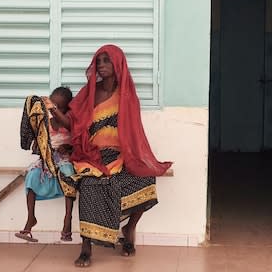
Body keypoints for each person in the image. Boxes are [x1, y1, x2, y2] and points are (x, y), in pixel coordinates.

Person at [50, 44, 172, 268]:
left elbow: (133, 130)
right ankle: (86, 247)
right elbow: (73, 124)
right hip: (91, 154)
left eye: (107, 61)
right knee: (89, 185)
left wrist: (135, 156)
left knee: (145, 179)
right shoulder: (89, 92)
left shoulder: (126, 94)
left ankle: (129, 229)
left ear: (118, 64)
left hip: (119, 155)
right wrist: (53, 110)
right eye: (99, 61)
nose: (102, 65)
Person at [16, 86, 76, 243]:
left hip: (65, 159)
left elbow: (78, 141)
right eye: (52, 106)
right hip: (48, 160)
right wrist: (38, 146)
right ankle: (30, 219)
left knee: (68, 176)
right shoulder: (46, 123)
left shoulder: (69, 122)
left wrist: (68, 147)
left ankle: (67, 220)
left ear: (67, 108)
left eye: (59, 107)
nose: (54, 110)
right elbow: (41, 143)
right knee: (31, 177)